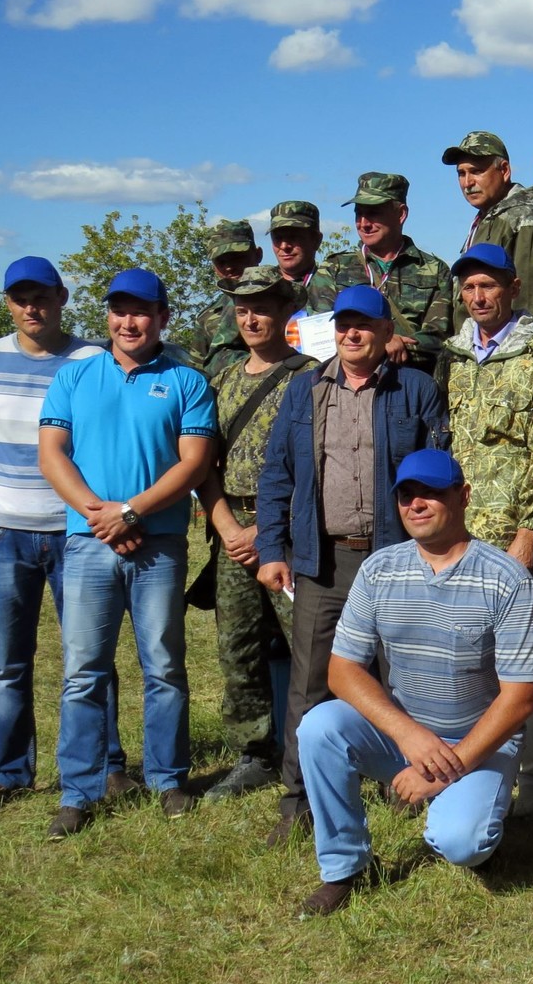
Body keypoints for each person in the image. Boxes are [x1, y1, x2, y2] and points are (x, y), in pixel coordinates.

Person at [294, 450, 533, 917]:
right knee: (318, 726)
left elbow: (520, 699)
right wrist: (408, 735)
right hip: (407, 732)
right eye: (408, 495)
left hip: (481, 741)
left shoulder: (507, 579)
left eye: (432, 493)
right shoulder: (379, 569)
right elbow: (342, 670)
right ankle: (345, 868)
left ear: (464, 496)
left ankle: (469, 815)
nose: (417, 504)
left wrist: (442, 771)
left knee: (461, 843)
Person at [255, 284, 449, 847]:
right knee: (310, 682)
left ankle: (407, 785)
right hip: (324, 561)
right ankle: (299, 800)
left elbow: (439, 471)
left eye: (364, 324)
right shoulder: (304, 391)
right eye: (343, 324)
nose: (351, 334)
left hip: (396, 560)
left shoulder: (415, 389)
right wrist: (272, 549)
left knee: (402, 680)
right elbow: (277, 475)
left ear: (388, 332)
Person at [37, 268, 218, 839]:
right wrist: (102, 514)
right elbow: (52, 455)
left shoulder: (187, 382)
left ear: (163, 317)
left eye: (141, 310)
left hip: (158, 543)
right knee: (83, 669)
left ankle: (168, 780)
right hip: (88, 542)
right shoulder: (74, 377)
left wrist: (132, 511)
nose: (128, 321)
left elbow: (194, 462)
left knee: (163, 666)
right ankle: (79, 790)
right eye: (119, 310)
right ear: (107, 317)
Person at [0, 256, 132, 817]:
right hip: (5, 533)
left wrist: (80, 504)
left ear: (62, 297)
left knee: (92, 657)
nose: (32, 307)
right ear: (8, 302)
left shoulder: (93, 359)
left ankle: (108, 766)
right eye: (20, 298)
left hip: (78, 532)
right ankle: (10, 773)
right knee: (9, 660)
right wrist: (14, 492)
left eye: (43, 296)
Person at [434, 243, 533, 817]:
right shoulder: (455, 356)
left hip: (513, 531)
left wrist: (530, 531)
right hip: (460, 531)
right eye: (469, 288)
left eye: (488, 286)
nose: (478, 297)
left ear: (512, 288)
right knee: (464, 652)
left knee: (524, 660)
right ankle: (469, 767)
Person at [194, 267, 318, 801]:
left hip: (290, 529)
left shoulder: (310, 376)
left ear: (285, 311)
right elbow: (200, 463)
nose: (250, 318)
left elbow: (318, 464)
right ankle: (255, 753)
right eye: (242, 309)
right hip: (230, 534)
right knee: (238, 646)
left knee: (310, 647)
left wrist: (265, 530)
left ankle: (318, 749)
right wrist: (226, 527)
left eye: (262, 307)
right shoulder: (219, 383)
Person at [307, 172, 453, 373]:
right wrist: (379, 343)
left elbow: (440, 338)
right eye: (359, 214)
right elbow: (319, 337)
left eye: (374, 213)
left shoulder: (435, 270)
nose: (364, 224)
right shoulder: (334, 269)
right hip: (348, 388)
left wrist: (398, 345)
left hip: (409, 385)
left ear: (401, 214)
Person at [445, 131, 533, 335]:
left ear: (504, 170)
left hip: (511, 359)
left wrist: (526, 362)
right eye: (461, 173)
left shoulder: (525, 218)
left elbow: (532, 305)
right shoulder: (487, 218)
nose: (467, 183)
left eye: (476, 171)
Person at [188, 219, 263, 376]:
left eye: (237, 257)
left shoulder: (285, 297)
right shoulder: (207, 318)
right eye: (221, 261)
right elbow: (197, 373)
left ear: (258, 254)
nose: (229, 267)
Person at [269, 201, 323, 286]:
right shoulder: (259, 287)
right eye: (278, 238)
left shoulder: (335, 289)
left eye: (293, 237)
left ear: (316, 240)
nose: (284, 246)